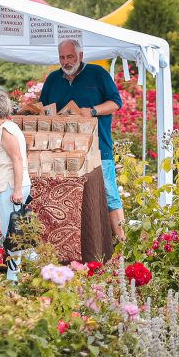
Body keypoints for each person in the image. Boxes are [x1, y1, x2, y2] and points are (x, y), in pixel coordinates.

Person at [39, 39, 125, 240]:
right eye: (62, 57)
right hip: (62, 153)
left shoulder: (98, 74)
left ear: (80, 55)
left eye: (70, 56)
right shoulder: (53, 79)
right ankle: (72, 244)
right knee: (67, 198)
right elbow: (43, 109)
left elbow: (116, 103)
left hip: (98, 149)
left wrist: (93, 111)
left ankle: (124, 244)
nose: (66, 61)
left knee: (110, 197)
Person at [0, 91, 31, 281]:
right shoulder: (8, 128)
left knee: (11, 234)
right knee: (14, 233)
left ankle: (15, 278)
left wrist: (18, 190)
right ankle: (18, 275)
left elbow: (17, 159)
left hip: (12, 186)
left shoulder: (6, 130)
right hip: (10, 185)